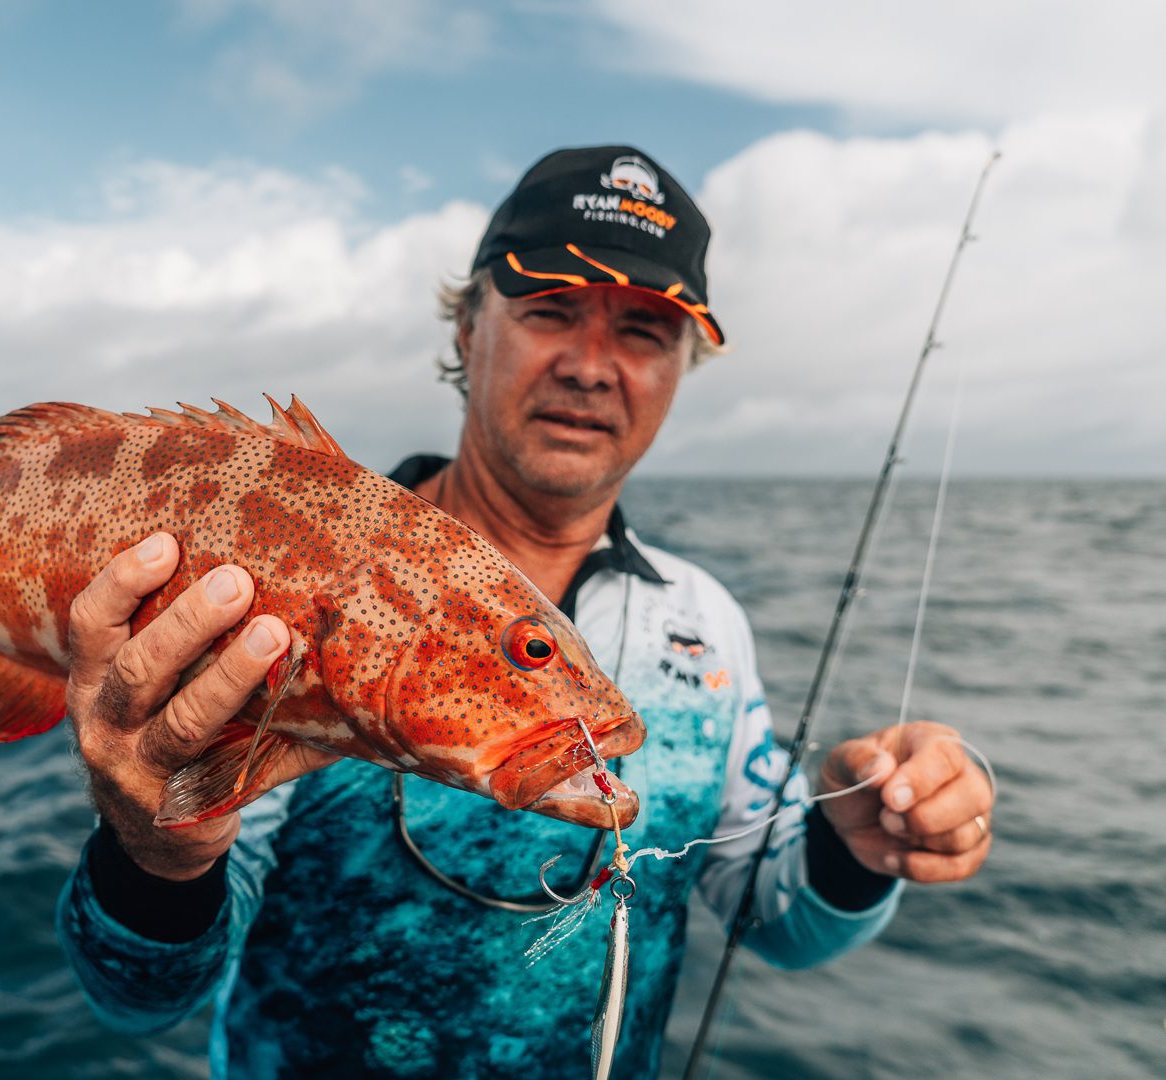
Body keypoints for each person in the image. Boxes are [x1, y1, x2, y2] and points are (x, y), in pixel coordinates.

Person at [55, 146, 995, 1078]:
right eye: (551, 310)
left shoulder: (706, 622)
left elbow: (774, 913)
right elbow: (140, 997)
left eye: (643, 332)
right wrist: (155, 854)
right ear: (467, 329)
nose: (591, 366)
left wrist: (852, 845)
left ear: (682, 369)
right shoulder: (288, 590)